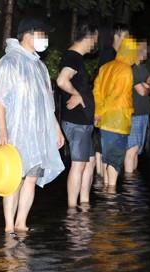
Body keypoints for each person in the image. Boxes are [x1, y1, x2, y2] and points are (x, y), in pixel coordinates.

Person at [0, 18, 65, 233]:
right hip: (15, 131)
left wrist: (56, 128)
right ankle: (9, 225)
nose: (45, 40)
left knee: (31, 178)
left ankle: (21, 222)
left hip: (37, 133)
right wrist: (3, 129)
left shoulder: (39, 66)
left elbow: (47, 102)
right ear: (29, 35)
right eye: (42, 34)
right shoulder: (9, 61)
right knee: (14, 179)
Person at [56, 23, 98, 208]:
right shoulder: (72, 57)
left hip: (83, 120)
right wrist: (77, 95)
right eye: (95, 40)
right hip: (77, 121)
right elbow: (61, 80)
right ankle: (72, 209)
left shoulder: (75, 58)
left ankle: (84, 203)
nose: (94, 44)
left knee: (89, 162)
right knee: (79, 164)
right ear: (89, 37)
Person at [93, 37, 138, 187]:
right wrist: (104, 110)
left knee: (107, 158)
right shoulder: (125, 70)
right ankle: (111, 194)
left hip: (104, 121)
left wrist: (99, 112)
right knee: (115, 158)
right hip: (117, 121)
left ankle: (107, 190)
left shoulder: (105, 68)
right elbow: (117, 94)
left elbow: (96, 92)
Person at [124, 40, 150, 173]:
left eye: (146, 49)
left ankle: (132, 184)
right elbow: (142, 91)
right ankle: (128, 184)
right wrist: (147, 86)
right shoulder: (131, 68)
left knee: (136, 150)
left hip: (143, 114)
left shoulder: (143, 68)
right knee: (131, 149)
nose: (145, 52)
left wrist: (147, 85)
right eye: (142, 49)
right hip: (134, 114)